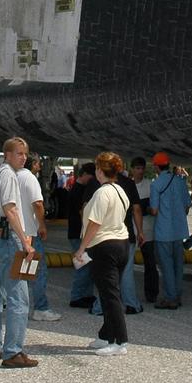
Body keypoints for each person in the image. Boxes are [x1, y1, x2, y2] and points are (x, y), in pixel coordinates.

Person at [0, 137, 38, 368]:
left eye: (25, 154)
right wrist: (25, 241)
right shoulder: (9, 176)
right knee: (19, 298)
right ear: (7, 154)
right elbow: (10, 209)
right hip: (7, 239)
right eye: (18, 153)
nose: (23, 157)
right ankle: (13, 351)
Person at [75, 152, 133, 355]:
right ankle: (105, 335)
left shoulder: (102, 193)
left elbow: (95, 223)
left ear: (100, 170)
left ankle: (119, 341)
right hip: (121, 244)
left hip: (105, 246)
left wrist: (82, 247)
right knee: (109, 291)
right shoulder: (120, 190)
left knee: (110, 295)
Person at [92, 162, 144, 317]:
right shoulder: (128, 183)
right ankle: (131, 304)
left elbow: (88, 209)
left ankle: (100, 307)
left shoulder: (98, 184)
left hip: (104, 236)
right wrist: (140, 231)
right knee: (126, 272)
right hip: (125, 235)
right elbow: (136, 209)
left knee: (106, 274)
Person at [18, 154, 61, 322]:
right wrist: (42, 225)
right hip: (31, 231)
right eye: (38, 163)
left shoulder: (14, 176)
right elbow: (38, 203)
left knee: (20, 270)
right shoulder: (30, 178)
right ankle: (41, 308)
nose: (40, 166)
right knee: (39, 270)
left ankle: (18, 305)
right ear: (33, 164)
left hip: (18, 230)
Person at [150, 152, 189, 309]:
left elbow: (154, 210)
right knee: (178, 265)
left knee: (166, 265)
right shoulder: (180, 181)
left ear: (157, 167)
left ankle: (170, 297)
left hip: (163, 231)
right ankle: (177, 295)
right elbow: (187, 204)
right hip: (179, 230)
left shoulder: (156, 184)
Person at [66, 163, 98, 308]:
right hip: (77, 232)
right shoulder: (78, 191)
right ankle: (77, 296)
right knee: (83, 265)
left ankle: (86, 294)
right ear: (84, 174)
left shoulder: (80, 189)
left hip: (79, 232)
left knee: (88, 264)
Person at [130, 157, 159, 303]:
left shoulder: (150, 185)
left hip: (147, 230)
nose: (140, 171)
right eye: (137, 168)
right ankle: (125, 293)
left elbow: (154, 207)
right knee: (125, 263)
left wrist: (146, 208)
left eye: (142, 168)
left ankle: (151, 293)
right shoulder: (128, 185)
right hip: (131, 230)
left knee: (150, 263)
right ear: (132, 169)